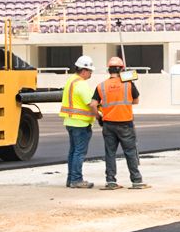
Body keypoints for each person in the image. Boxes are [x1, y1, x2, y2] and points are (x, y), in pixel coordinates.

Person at [93, 56, 148, 190]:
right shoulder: (128, 83)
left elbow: (93, 104)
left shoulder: (101, 86)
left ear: (108, 70)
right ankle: (136, 181)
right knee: (130, 152)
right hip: (125, 123)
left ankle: (111, 181)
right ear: (122, 69)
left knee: (110, 153)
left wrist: (99, 117)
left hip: (108, 124)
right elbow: (136, 101)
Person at [60, 55, 100, 188]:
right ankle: (76, 180)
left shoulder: (71, 80)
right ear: (83, 70)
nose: (90, 74)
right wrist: (99, 116)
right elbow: (91, 104)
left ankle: (71, 179)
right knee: (79, 152)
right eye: (90, 71)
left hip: (70, 122)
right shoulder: (81, 84)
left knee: (73, 151)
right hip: (81, 123)